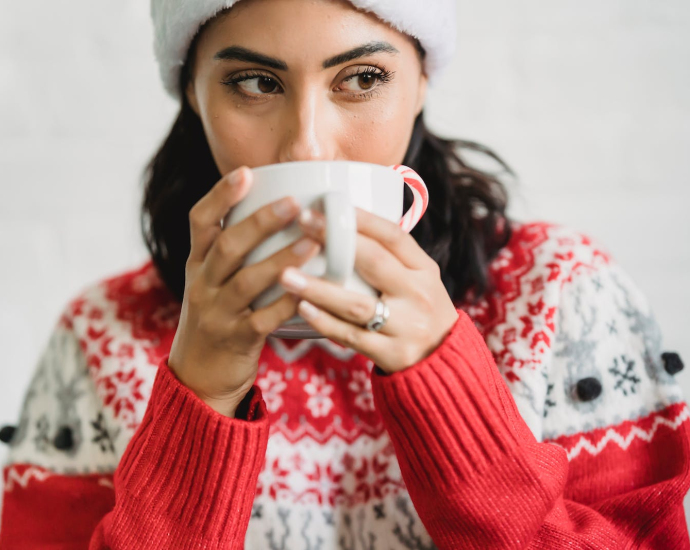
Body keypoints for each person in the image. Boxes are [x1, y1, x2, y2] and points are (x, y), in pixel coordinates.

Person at [1, 0, 689, 547]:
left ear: (422, 80)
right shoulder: (101, 336)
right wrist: (201, 395)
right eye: (254, 82)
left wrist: (449, 389)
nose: (308, 143)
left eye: (362, 79)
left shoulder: (561, 295)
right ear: (191, 90)